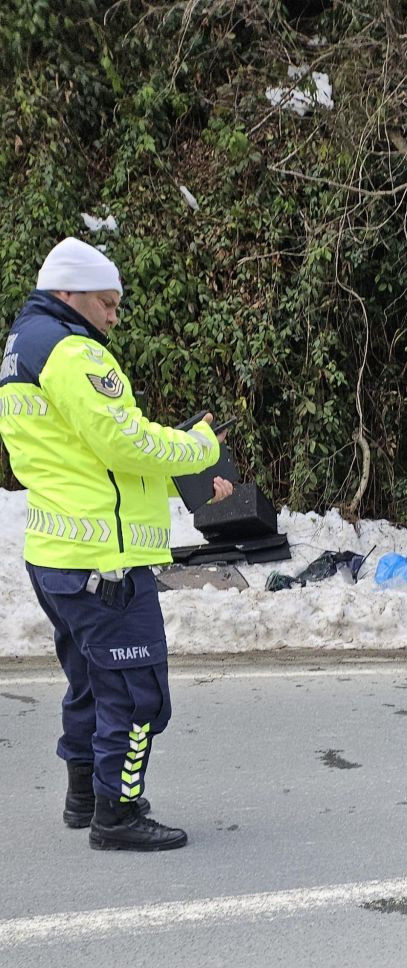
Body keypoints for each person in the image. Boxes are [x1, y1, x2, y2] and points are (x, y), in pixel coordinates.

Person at [0, 237, 231, 850]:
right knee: (136, 696)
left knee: (89, 683)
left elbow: (83, 456)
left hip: (58, 556)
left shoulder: (22, 348)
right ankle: (118, 815)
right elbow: (124, 442)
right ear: (68, 293)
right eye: (107, 303)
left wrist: (179, 470)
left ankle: (85, 796)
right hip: (105, 566)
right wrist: (200, 447)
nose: (114, 316)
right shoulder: (73, 353)